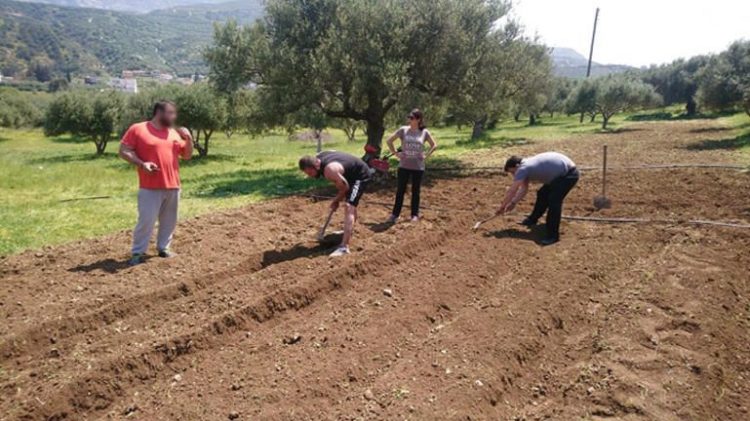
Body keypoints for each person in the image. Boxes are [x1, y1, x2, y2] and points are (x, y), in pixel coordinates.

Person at [119, 101, 193, 265]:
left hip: (173, 185)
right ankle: (138, 252)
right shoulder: (138, 129)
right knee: (146, 221)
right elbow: (124, 150)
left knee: (169, 221)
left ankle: (163, 248)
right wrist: (142, 164)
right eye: (171, 113)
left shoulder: (173, 133)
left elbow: (187, 155)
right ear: (159, 112)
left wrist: (188, 139)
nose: (174, 116)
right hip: (149, 187)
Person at [497, 152, 579, 245]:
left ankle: (553, 236)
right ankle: (532, 220)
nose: (514, 175)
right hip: (559, 176)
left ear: (517, 166)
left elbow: (513, 190)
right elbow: (523, 189)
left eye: (513, 172)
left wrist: (502, 207)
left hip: (569, 175)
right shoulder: (525, 166)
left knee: (554, 201)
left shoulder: (523, 168)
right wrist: (513, 203)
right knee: (542, 193)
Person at [299, 151, 371, 257]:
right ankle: (348, 231)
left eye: (310, 173)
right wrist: (338, 199)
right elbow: (333, 152)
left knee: (349, 206)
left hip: (360, 175)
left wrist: (336, 200)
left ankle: (344, 247)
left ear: (316, 166)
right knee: (349, 202)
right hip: (348, 174)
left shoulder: (329, 171)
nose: (310, 176)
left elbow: (345, 188)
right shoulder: (319, 158)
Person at [384, 108, 437, 223]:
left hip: (418, 167)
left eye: (412, 118)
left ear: (418, 119)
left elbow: (434, 145)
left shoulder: (424, 132)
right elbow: (389, 141)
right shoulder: (403, 130)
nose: (409, 119)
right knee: (400, 191)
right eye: (409, 117)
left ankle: (414, 215)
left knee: (415, 191)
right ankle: (395, 214)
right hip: (404, 166)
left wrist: (426, 155)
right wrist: (396, 153)